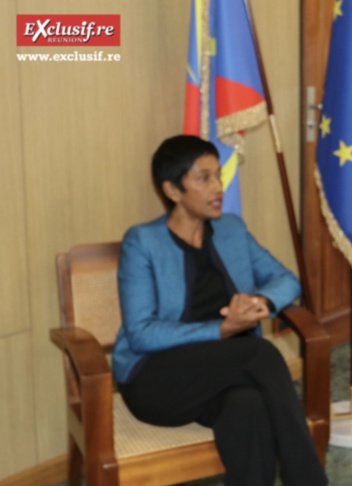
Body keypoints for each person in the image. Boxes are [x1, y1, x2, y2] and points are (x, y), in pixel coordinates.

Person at [112, 135, 328, 486]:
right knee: (259, 352)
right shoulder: (143, 242)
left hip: (226, 372)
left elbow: (286, 280)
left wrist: (261, 303)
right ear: (172, 190)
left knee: (247, 406)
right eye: (204, 178)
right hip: (157, 380)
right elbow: (141, 332)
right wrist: (222, 329)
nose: (218, 187)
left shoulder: (231, 230)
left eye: (218, 176)